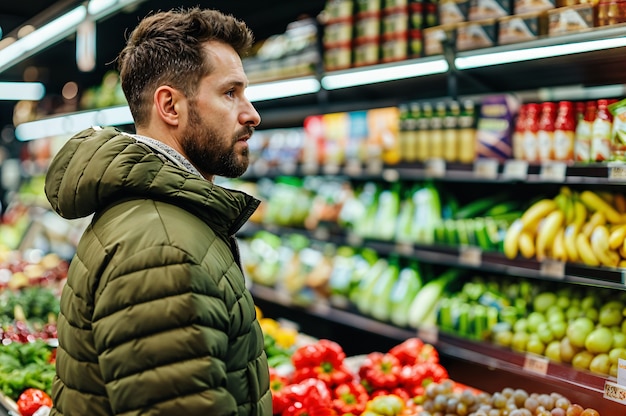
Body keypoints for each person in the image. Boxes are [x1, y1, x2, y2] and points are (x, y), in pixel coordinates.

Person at [44, 7, 271, 416]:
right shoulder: (163, 246)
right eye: (230, 93)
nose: (251, 114)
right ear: (170, 106)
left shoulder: (164, 220)